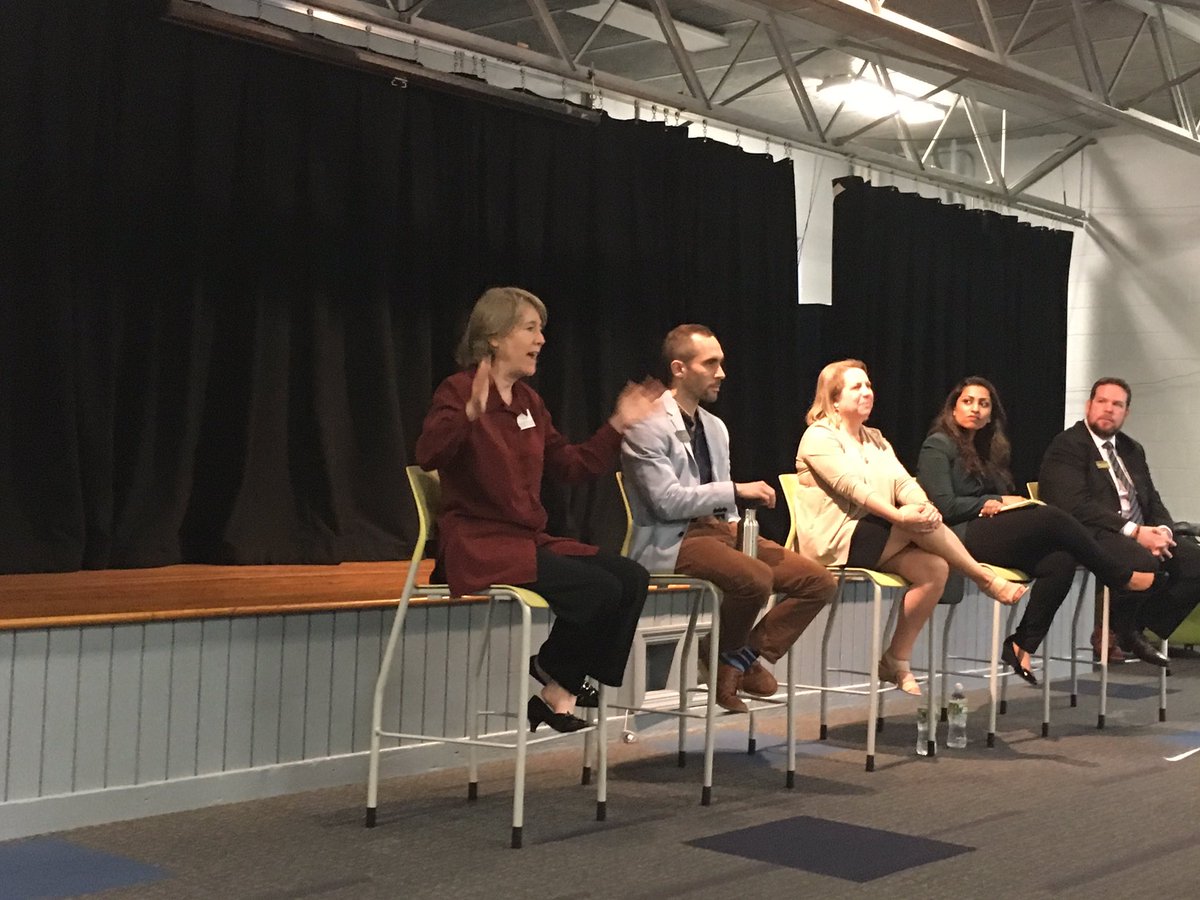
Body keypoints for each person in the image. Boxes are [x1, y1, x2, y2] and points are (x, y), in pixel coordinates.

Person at [415, 286, 657, 733]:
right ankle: (556, 676)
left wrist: (618, 424)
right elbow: (428, 454)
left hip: (525, 541)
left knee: (631, 577)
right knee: (598, 589)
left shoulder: (528, 402)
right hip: (479, 543)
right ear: (494, 336)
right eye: (530, 329)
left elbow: (570, 465)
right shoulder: (459, 390)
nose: (541, 340)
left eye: (540, 330)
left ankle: (559, 686)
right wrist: (467, 415)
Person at [620, 325, 837, 713]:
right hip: (676, 536)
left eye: (721, 362)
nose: (721, 372)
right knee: (755, 579)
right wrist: (735, 490)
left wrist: (737, 520)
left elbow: (723, 498)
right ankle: (728, 662)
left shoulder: (715, 427)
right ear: (680, 368)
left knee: (817, 581)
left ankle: (732, 656)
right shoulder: (647, 425)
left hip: (720, 529)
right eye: (711, 363)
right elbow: (666, 503)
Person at [794, 360, 1026, 696]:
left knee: (934, 568)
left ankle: (896, 659)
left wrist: (923, 505)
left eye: (869, 386)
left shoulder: (874, 438)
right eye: (856, 387)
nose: (867, 393)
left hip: (875, 534)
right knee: (914, 525)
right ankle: (985, 578)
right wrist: (901, 517)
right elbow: (851, 488)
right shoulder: (818, 436)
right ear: (833, 400)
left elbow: (903, 481)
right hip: (836, 538)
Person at [917, 376, 1158, 684]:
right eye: (967, 402)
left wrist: (999, 503)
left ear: (992, 414)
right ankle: (1118, 574)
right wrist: (994, 501)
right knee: (1050, 517)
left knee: (1060, 560)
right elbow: (945, 506)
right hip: (955, 534)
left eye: (983, 404)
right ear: (952, 408)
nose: (975, 409)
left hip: (987, 529)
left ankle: (1021, 644)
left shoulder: (987, 448)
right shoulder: (937, 445)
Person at [1038, 377, 1200, 666]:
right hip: (1093, 532)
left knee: (1194, 562)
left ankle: (1132, 627)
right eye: (1102, 402)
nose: (1108, 409)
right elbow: (1074, 505)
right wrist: (1136, 532)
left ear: (1126, 412)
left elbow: (1152, 498)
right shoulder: (1068, 445)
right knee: (1145, 562)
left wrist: (1163, 530)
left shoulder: (1131, 449)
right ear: (1089, 405)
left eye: (1117, 404)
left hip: (1138, 533)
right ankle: (1123, 627)